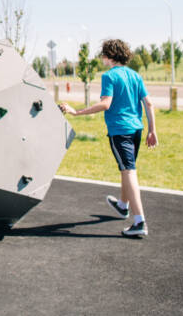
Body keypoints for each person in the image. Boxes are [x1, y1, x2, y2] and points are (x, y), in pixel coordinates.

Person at [59, 39, 158, 237]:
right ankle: (123, 205)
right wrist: (152, 130)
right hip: (137, 130)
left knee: (129, 171)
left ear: (109, 56)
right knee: (126, 169)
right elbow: (149, 103)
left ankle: (139, 221)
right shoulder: (135, 75)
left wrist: (76, 112)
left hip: (120, 131)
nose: (102, 58)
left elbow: (106, 104)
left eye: (103, 54)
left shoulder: (109, 77)